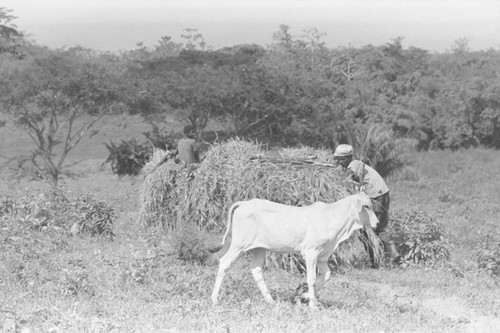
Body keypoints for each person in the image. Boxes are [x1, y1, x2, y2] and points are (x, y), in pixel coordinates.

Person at [333, 144, 401, 268]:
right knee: (368, 231)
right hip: (380, 195)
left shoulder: (354, 164)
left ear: (348, 157)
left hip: (376, 197)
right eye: (337, 160)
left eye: (340, 160)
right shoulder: (353, 165)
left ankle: (393, 258)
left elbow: (343, 180)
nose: (339, 162)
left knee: (374, 229)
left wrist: (333, 174)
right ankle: (379, 261)